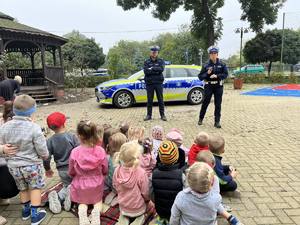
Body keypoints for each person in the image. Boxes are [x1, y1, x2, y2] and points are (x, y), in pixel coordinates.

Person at [0, 94, 49, 225]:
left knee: (22, 188)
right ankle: (35, 215)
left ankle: (25, 212)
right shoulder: (34, 128)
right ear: (31, 113)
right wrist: (45, 156)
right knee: (35, 188)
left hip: (14, 167)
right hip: (32, 165)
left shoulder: (4, 126)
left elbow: (2, 144)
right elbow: (41, 148)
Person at [170, 162, 243, 225]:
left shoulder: (181, 197)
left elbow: (174, 218)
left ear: (188, 181)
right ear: (211, 184)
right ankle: (230, 218)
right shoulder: (216, 198)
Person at [68, 120, 108, 225]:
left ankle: (82, 214)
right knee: (98, 202)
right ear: (95, 133)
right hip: (97, 182)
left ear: (79, 135)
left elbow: (71, 169)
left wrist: (73, 176)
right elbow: (105, 168)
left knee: (82, 202)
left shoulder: (75, 152)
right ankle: (95, 213)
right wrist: (103, 174)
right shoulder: (100, 150)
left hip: (81, 183)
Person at [43, 112, 80, 214]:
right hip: (75, 168)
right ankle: (71, 193)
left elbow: (46, 157)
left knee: (66, 184)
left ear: (50, 128)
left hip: (61, 170)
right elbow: (80, 152)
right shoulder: (72, 136)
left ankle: (58, 197)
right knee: (78, 184)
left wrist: (47, 169)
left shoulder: (49, 141)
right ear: (64, 123)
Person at [113, 141, 150, 225]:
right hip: (138, 208)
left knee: (125, 213)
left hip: (123, 207)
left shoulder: (117, 170)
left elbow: (115, 186)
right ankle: (139, 218)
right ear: (136, 158)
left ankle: (124, 218)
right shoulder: (141, 173)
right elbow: (145, 192)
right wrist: (147, 200)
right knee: (142, 212)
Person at [151, 140, 185, 225]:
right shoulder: (181, 175)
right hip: (176, 210)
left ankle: (162, 220)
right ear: (176, 157)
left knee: (162, 217)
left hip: (160, 209)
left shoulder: (153, 174)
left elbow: (150, 194)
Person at [198, 46, 228, 128]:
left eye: (215, 53)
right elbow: (200, 76)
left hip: (218, 86)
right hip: (209, 86)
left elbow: (225, 74)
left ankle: (217, 121)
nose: (213, 55)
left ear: (217, 54)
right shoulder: (205, 65)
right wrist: (207, 73)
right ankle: (201, 118)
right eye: (211, 54)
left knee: (218, 104)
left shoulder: (222, 64)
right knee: (205, 103)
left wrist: (217, 75)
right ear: (209, 55)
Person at [143, 46, 167, 121]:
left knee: (160, 99)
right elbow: (146, 71)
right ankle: (149, 115)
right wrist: (156, 70)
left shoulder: (161, 61)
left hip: (158, 83)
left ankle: (162, 115)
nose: (154, 53)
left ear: (157, 53)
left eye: (155, 52)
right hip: (149, 83)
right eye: (153, 52)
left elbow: (161, 69)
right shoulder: (146, 61)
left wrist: (152, 68)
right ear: (150, 52)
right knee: (149, 100)